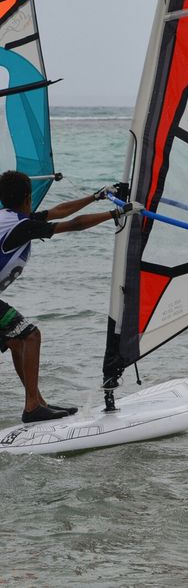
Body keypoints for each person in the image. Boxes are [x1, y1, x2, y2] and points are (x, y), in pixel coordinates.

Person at [0, 171, 136, 423]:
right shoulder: (22, 226)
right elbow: (73, 224)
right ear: (28, 198)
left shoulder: (10, 218)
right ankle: (32, 407)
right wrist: (117, 214)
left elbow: (60, 211)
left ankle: (37, 403)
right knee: (30, 335)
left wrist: (97, 196)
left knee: (18, 341)